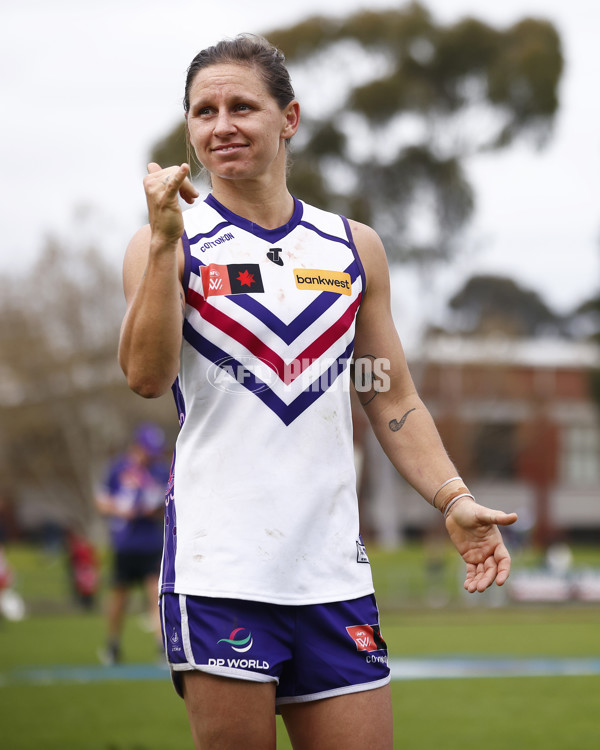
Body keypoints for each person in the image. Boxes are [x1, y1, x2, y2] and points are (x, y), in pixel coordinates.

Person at [118, 34, 518, 750]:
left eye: (243, 106)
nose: (222, 125)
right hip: (220, 572)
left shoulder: (351, 246)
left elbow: (390, 397)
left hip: (333, 574)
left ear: (289, 118)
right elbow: (147, 378)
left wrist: (454, 501)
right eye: (203, 111)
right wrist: (160, 242)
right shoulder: (171, 243)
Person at [96, 423, 168, 664]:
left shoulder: (160, 472)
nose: (153, 454)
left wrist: (152, 510)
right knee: (119, 597)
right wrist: (120, 509)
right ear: (137, 446)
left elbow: (167, 506)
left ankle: (161, 647)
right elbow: (102, 501)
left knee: (154, 596)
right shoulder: (117, 468)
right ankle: (112, 645)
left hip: (152, 545)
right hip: (124, 545)